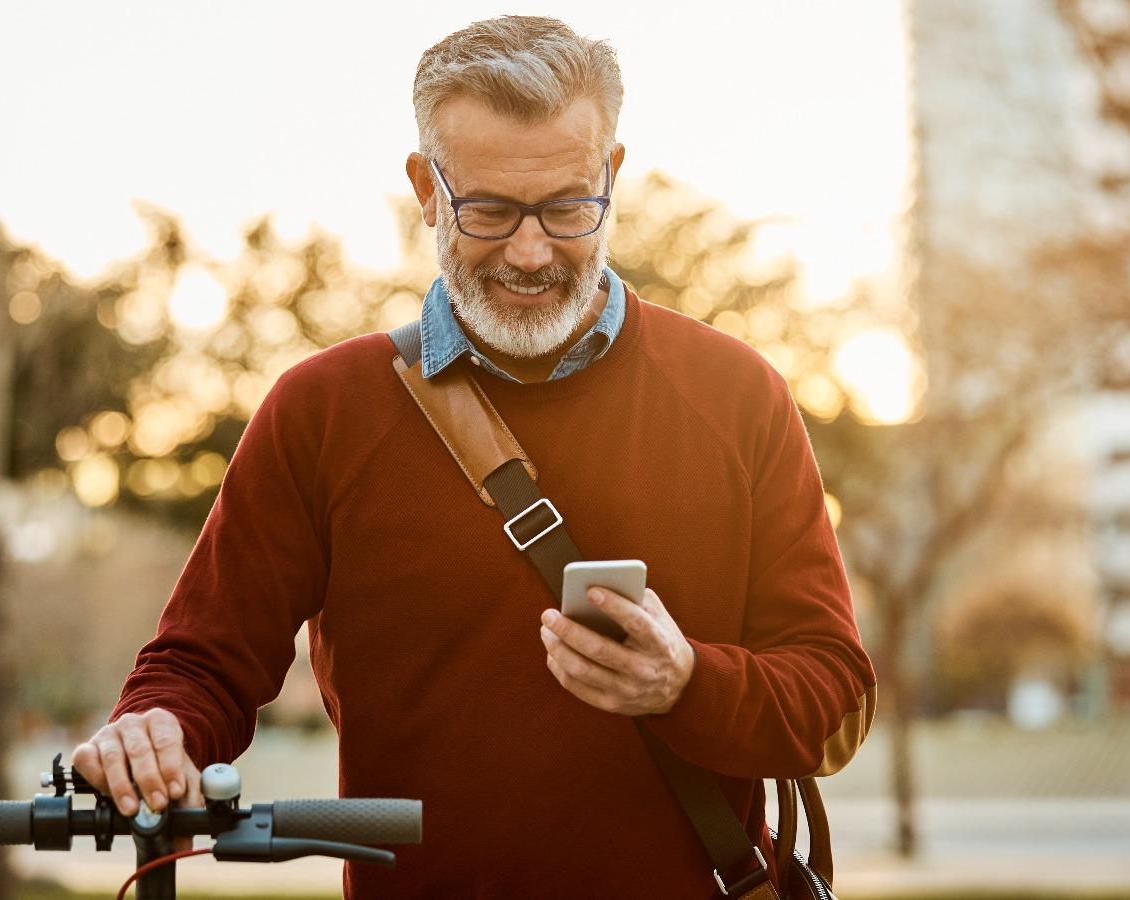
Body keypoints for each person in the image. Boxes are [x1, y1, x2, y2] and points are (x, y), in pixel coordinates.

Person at [75, 15, 876, 899]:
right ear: (425, 187)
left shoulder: (739, 396)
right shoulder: (320, 412)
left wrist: (688, 683)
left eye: (568, 206)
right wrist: (151, 730)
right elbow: (200, 666)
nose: (529, 252)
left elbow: (834, 699)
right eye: (488, 210)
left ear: (611, 175)